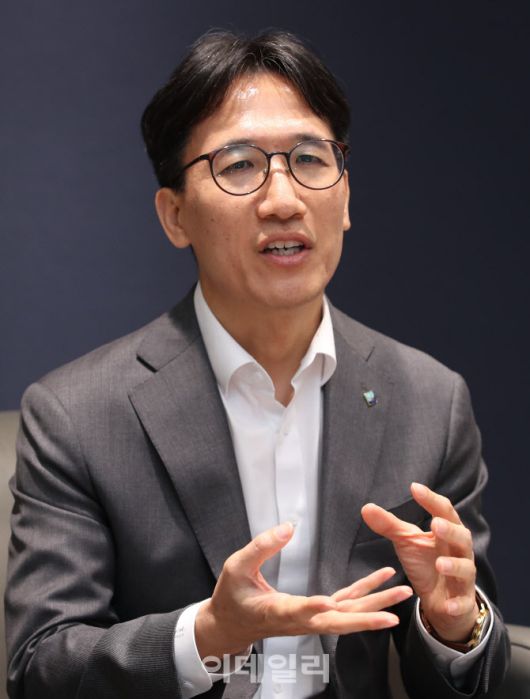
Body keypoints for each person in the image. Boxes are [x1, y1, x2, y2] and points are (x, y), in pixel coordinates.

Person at [5, 30, 509, 699]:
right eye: (239, 165)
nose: (283, 200)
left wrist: (453, 629)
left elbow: (472, 665)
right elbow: (40, 664)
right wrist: (206, 635)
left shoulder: (429, 399)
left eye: (309, 158)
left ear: (345, 197)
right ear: (175, 215)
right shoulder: (77, 415)